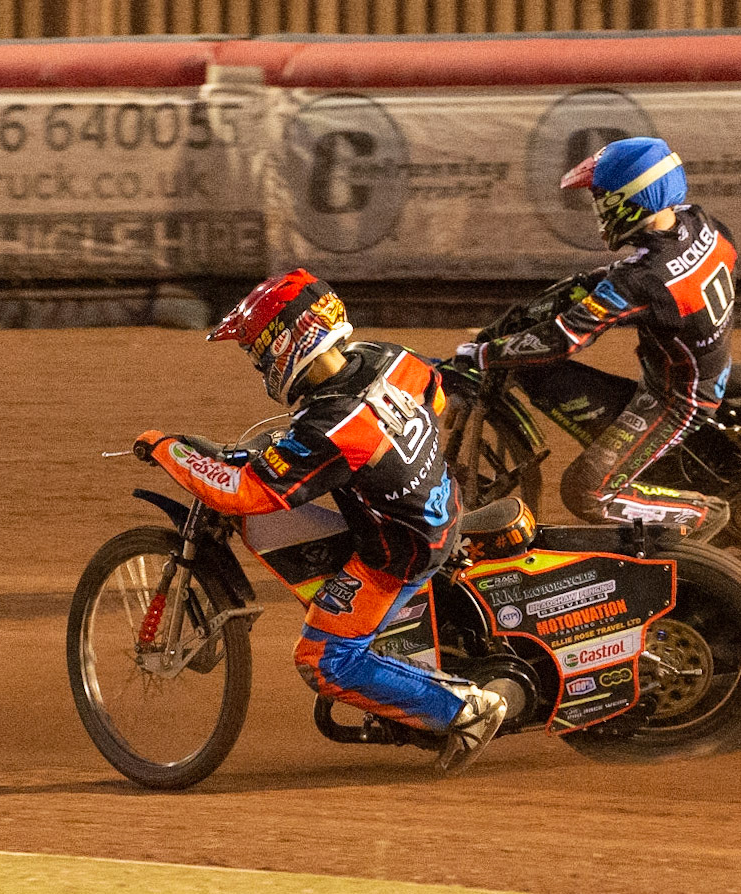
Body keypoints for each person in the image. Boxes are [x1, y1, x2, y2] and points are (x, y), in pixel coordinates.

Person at [454, 136, 741, 742]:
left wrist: (486, 350)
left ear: (635, 198)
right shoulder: (699, 225)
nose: (599, 210)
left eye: (603, 198)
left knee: (587, 490)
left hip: (676, 399)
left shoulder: (643, 278)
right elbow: (650, 277)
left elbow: (565, 337)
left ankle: (699, 513)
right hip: (696, 367)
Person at [134, 268, 507, 774]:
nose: (257, 360)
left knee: (322, 661)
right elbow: (436, 393)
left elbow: (248, 491)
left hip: (398, 554)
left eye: (259, 346)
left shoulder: (330, 424)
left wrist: (167, 450)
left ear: (291, 339)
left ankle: (465, 710)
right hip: (440, 506)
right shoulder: (389, 357)